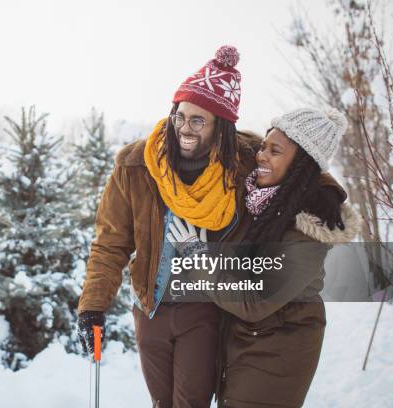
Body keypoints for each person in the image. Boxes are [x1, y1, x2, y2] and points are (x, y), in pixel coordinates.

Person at [77, 45, 263, 407]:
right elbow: (110, 243)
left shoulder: (240, 169)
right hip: (152, 308)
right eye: (180, 115)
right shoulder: (136, 166)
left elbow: (296, 166)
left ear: (220, 127)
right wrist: (92, 306)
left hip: (205, 309)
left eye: (198, 120)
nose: (184, 128)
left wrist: (331, 200)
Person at [167, 108, 361, 408]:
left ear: (301, 163)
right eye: (263, 147)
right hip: (248, 343)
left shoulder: (308, 229)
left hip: (277, 354)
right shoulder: (268, 203)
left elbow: (254, 301)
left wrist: (197, 257)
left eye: (275, 151)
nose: (261, 156)